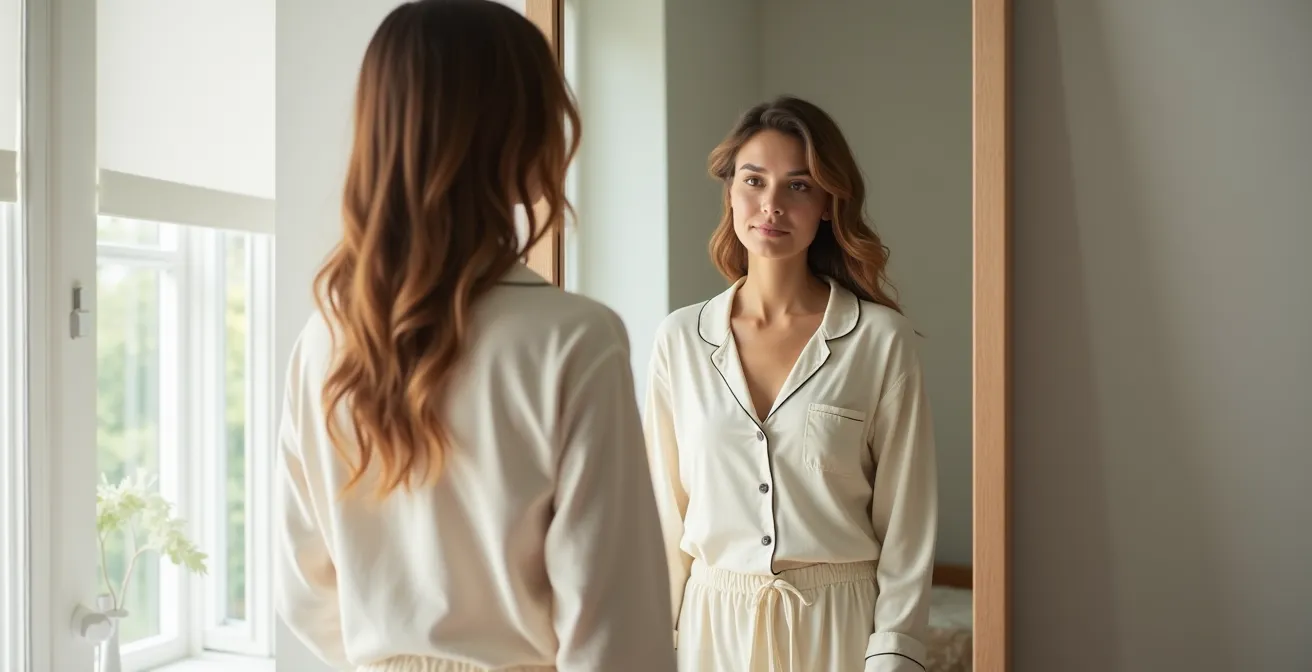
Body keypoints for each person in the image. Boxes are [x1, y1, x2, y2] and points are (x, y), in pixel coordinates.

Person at [274, 2, 676, 671]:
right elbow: (615, 625)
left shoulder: (326, 338)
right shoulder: (575, 340)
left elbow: (303, 589)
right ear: (505, 127)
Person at [643, 96, 939, 672]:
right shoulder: (679, 340)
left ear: (828, 203)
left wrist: (894, 655)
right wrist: (656, 644)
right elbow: (662, 515)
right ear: (731, 192)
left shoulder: (879, 340)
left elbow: (908, 520)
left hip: (840, 627)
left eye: (798, 186)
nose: (771, 204)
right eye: (754, 181)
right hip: (710, 629)